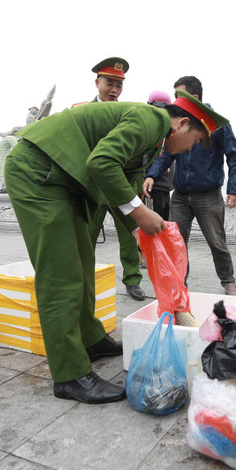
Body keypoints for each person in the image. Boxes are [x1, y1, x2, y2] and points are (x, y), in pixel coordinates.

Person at [4, 90, 229, 404]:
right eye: (195, 141)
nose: (189, 149)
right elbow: (102, 163)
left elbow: (124, 187)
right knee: (61, 275)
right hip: (40, 172)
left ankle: (90, 339)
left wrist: (144, 235)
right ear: (183, 124)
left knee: (81, 263)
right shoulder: (150, 120)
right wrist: (139, 214)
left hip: (65, 180)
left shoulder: (152, 144)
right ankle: (69, 375)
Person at [143, 76, 236, 296]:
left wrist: (234, 189)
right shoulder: (178, 123)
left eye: (179, 96)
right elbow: (167, 151)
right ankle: (179, 284)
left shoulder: (216, 125)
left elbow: (234, 155)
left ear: (194, 98)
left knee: (217, 242)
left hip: (208, 195)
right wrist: (151, 174)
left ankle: (228, 281)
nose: (175, 101)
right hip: (180, 194)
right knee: (176, 243)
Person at [73, 57, 146, 301]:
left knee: (129, 236)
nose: (114, 90)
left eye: (119, 85)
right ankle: (84, 280)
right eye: (109, 83)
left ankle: (132, 279)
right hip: (91, 190)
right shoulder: (80, 111)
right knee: (86, 238)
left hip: (120, 188)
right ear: (97, 82)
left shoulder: (128, 115)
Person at [144, 90, 175, 221]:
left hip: (166, 185)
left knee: (165, 221)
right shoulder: (146, 129)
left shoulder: (170, 128)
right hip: (151, 184)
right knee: (152, 221)